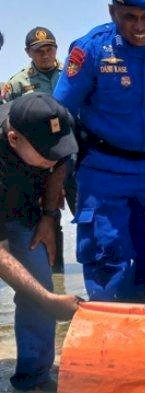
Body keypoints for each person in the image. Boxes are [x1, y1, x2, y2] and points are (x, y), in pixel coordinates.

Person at [53, 0, 145, 305]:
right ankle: (106, 327)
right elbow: (59, 114)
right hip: (102, 171)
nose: (139, 27)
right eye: (130, 17)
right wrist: (53, 173)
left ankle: (141, 319)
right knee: (107, 254)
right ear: (113, 12)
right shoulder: (91, 51)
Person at [0, 93, 80, 390]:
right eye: (47, 151)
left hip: (25, 209)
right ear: (13, 139)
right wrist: (49, 301)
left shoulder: (54, 122)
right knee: (43, 297)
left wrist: (48, 215)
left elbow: (60, 163)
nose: (55, 154)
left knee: (39, 287)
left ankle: (33, 380)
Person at [2, 27, 72, 273]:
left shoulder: (72, 76)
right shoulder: (17, 84)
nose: (45, 54)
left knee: (85, 213)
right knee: (47, 214)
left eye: (49, 48)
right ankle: (52, 271)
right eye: (38, 50)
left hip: (72, 157)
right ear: (28, 53)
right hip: (36, 162)